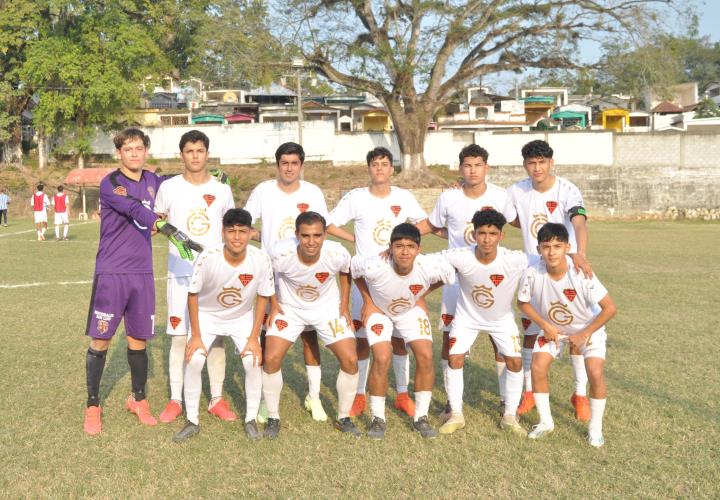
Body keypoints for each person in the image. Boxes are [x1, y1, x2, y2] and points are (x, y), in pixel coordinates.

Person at [83, 128, 202, 435]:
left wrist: (211, 175)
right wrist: (165, 226)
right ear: (119, 153)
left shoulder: (154, 181)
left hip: (142, 273)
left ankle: (138, 400)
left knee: (138, 340)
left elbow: (181, 183)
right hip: (111, 272)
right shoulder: (111, 184)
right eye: (128, 149)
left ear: (146, 151)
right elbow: (135, 209)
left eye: (139, 148)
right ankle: (93, 405)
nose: (134, 154)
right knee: (101, 340)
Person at [327, 146, 432, 419]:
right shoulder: (357, 197)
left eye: (385, 164)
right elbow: (329, 225)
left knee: (399, 341)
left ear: (391, 168)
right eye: (375, 164)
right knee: (363, 341)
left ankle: (402, 395)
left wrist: (403, 239)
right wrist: (354, 240)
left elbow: (424, 223)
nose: (380, 169)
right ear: (369, 169)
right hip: (366, 281)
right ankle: (360, 396)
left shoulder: (403, 197)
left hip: (397, 279)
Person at [417, 144, 513, 420]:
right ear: (461, 168)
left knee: (500, 339)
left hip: (493, 278)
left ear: (487, 167)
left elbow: (517, 222)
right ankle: (451, 401)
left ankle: (507, 399)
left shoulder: (501, 196)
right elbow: (431, 224)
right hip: (457, 279)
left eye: (478, 165)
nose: (473, 170)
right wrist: (401, 234)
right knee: (451, 338)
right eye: (467, 165)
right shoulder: (449, 197)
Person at [504, 139, 593, 420]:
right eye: (532, 163)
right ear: (525, 165)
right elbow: (509, 216)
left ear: (551, 163)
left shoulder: (567, 189)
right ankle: (530, 391)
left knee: (576, 331)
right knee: (530, 331)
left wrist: (580, 253)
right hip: (534, 269)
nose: (537, 168)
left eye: (542, 162)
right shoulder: (516, 190)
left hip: (566, 267)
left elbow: (579, 220)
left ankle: (580, 394)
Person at [154, 130, 236, 425]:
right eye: (189, 151)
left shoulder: (223, 190)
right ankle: (176, 400)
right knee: (179, 339)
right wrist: (167, 231)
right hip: (179, 275)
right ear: (182, 155)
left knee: (215, 340)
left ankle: (216, 399)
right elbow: (156, 221)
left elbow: (231, 229)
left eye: (200, 151)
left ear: (207, 153)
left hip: (214, 275)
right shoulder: (169, 187)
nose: (195, 156)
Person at [244, 142, 330, 422]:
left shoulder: (313, 192)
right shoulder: (263, 191)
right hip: (270, 276)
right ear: (277, 165)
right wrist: (266, 239)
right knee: (267, 337)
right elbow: (247, 222)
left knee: (309, 335)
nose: (289, 168)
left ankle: (314, 396)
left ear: (301, 165)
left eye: (294, 163)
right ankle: (264, 401)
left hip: (303, 275)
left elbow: (321, 228)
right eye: (284, 163)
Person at [173, 208, 274, 443]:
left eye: (242, 231)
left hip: (241, 318)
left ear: (251, 233)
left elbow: (263, 297)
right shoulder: (208, 257)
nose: (237, 237)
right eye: (231, 231)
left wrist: (253, 337)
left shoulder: (260, 259)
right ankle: (192, 420)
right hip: (208, 317)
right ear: (223, 232)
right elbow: (193, 295)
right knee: (195, 360)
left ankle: (249, 419)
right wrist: (196, 335)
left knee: (252, 361)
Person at [351, 223, 455, 439]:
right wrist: (368, 301)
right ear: (390, 248)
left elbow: (448, 277)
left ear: (419, 249)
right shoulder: (374, 265)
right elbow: (353, 271)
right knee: (381, 356)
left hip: (408, 310)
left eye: (410, 246)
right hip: (379, 311)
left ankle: (421, 417)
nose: (405, 251)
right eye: (399, 246)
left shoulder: (428, 266)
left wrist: (421, 295)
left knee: (425, 355)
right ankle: (378, 419)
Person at [262, 211, 360, 438]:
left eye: (317, 235)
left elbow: (346, 272)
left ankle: (344, 417)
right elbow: (266, 276)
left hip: (327, 309)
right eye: (305, 236)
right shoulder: (280, 252)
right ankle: (273, 416)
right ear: (296, 234)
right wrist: (274, 304)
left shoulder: (337, 252)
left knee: (350, 359)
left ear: (325, 234)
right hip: (290, 309)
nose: (311, 241)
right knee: (271, 358)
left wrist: (344, 304)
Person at [517, 223, 616, 447]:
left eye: (557, 246)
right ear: (539, 248)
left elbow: (610, 308)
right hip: (554, 331)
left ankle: (595, 429)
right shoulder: (533, 273)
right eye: (546, 247)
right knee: (537, 366)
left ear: (567, 247)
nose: (551, 252)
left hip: (589, 328)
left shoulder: (581, 273)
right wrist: (545, 325)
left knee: (595, 371)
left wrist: (584, 333)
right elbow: (522, 303)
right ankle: (545, 422)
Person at [438, 209, 531, 435]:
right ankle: (456, 413)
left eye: (492, 233)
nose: (487, 239)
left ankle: (510, 415)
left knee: (515, 362)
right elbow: (424, 260)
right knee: (455, 357)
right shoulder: (460, 255)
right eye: (482, 233)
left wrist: (575, 257)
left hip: (501, 320)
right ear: (474, 235)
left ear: (501, 236)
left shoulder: (515, 259)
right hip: (466, 318)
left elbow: (548, 259)